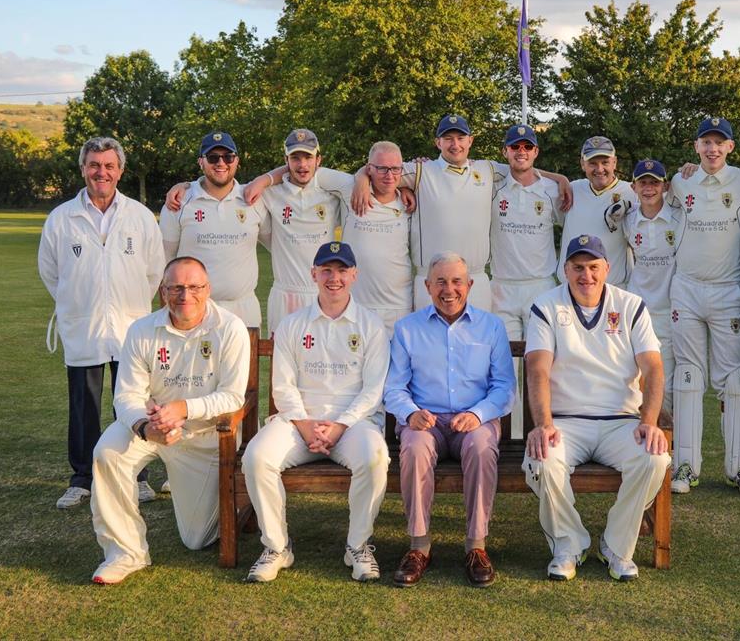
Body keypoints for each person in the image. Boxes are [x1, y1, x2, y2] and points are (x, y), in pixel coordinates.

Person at [89, 257, 250, 584]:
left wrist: (183, 409)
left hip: (204, 438)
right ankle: (125, 552)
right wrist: (147, 428)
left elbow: (233, 396)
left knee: (196, 540)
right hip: (153, 427)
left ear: (208, 289)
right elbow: (127, 395)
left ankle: (213, 498)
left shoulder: (229, 328)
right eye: (176, 287)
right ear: (162, 291)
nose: (185, 295)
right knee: (107, 452)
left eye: (194, 287)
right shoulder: (141, 330)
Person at [523, 235, 670, 583]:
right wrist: (543, 424)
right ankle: (568, 545)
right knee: (542, 460)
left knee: (655, 458)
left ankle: (616, 546)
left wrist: (649, 422)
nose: (585, 275)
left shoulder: (631, 305)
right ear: (565, 270)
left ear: (607, 268)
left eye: (593, 267)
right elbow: (538, 369)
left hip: (621, 421)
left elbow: (653, 369)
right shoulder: (546, 305)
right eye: (578, 268)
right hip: (566, 422)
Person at [241, 241, 391, 582]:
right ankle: (277, 547)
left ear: (354, 275)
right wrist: (306, 426)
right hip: (299, 423)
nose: (333, 278)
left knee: (374, 457)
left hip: (353, 425)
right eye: (326, 270)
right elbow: (283, 385)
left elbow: (373, 390)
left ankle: (357, 545)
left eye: (341, 270)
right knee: (256, 457)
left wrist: (340, 426)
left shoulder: (371, 326)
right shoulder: (293, 324)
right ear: (314, 274)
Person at [38, 136, 165, 509]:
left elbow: (154, 270)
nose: (102, 172)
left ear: (120, 170)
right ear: (83, 169)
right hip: (85, 328)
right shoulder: (62, 218)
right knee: (84, 407)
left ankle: (136, 475)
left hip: (130, 327)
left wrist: (132, 306)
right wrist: (77, 302)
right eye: (95, 165)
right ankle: (82, 479)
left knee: (131, 403)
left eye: (109, 166)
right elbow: (51, 272)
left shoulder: (139, 216)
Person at [384, 252, 516, 587]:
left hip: (473, 421)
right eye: (440, 281)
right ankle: (419, 546)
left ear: (470, 285)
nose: (449, 289)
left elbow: (504, 387)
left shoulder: (491, 327)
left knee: (483, 447)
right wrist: (411, 413)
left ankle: (476, 546)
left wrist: (477, 415)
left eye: (457, 281)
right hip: (426, 423)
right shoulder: (407, 329)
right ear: (427, 286)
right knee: (413, 448)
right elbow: (394, 387)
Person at [352, 115, 571, 312]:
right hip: (430, 280)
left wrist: (560, 179)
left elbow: (522, 169)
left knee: (477, 351)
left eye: (460, 138)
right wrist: (363, 177)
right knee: (431, 350)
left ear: (470, 141)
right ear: (438, 142)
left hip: (475, 280)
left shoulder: (487, 169)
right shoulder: (421, 171)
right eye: (448, 139)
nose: (455, 144)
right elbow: (383, 171)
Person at [667, 117, 740, 496]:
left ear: (730, 148)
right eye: (705, 142)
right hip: (687, 290)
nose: (711, 149)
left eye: (718, 143)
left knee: (735, 380)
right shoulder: (681, 181)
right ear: (695, 147)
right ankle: (685, 467)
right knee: (688, 378)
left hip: (727, 291)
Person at [490, 123, 564, 437]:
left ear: (536, 151)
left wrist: (559, 179)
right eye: (515, 147)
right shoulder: (492, 184)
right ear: (505, 151)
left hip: (540, 286)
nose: (521, 152)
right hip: (503, 287)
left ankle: (544, 431)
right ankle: (511, 438)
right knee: (506, 368)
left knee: (543, 364)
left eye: (527, 147)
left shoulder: (552, 190)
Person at [159, 131, 269, 329]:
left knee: (244, 362)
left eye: (228, 157)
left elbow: (296, 169)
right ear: (201, 162)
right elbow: (165, 262)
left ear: (237, 161)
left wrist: (265, 179)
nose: (221, 163)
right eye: (213, 157)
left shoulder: (253, 198)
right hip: (194, 308)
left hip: (244, 309)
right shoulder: (179, 202)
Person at [621, 159, 680, 412]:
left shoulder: (678, 216)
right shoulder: (627, 219)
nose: (649, 188)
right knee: (634, 381)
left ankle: (668, 444)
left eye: (654, 183)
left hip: (670, 310)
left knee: (665, 384)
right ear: (633, 187)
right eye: (643, 183)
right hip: (638, 310)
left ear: (665, 186)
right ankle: (637, 442)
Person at [338, 142, 413, 332]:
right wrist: (264, 180)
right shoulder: (350, 190)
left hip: (399, 307)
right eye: (382, 168)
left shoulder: (411, 202)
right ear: (369, 168)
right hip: (356, 305)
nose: (389, 176)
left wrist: (407, 189)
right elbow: (312, 170)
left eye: (395, 169)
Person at [557, 136, 633, 287]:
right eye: (592, 163)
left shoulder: (632, 192)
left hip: (613, 289)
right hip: (570, 289)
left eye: (605, 162)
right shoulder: (571, 189)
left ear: (615, 162)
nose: (599, 169)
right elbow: (526, 173)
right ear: (582, 164)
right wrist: (559, 178)